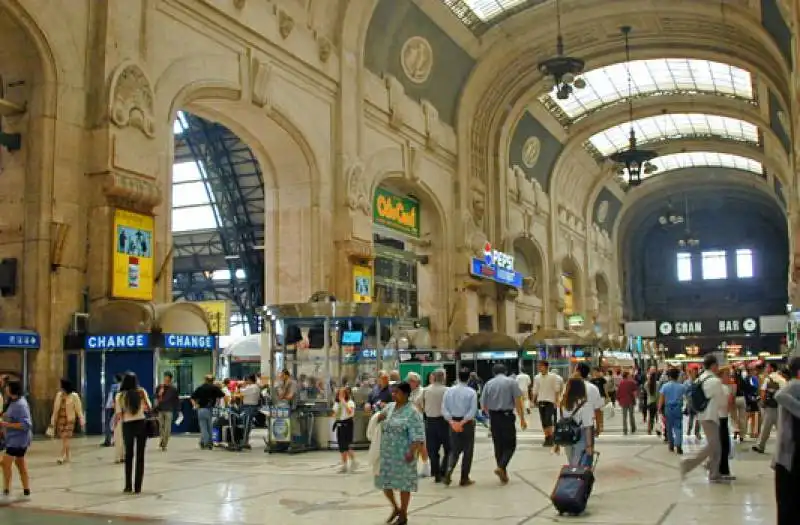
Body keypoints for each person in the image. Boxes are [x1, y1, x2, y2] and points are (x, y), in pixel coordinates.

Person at [375, 381, 424, 525]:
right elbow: (379, 417)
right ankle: (395, 508)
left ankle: (403, 514)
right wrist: (376, 415)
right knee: (385, 483)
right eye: (393, 392)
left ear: (406, 394)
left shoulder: (412, 412)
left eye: (397, 392)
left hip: (404, 454)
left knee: (404, 485)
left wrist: (412, 451)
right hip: (387, 453)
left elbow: (418, 435)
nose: (394, 395)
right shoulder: (390, 408)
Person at [680, 354, 724, 482]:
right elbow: (721, 401)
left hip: (702, 414)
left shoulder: (700, 379)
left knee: (717, 446)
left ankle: (713, 472)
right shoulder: (715, 381)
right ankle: (688, 464)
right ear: (714, 366)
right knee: (713, 445)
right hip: (711, 415)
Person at [480, 363, 527, 485]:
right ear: (505, 371)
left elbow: (483, 405)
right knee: (511, 444)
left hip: (494, 417)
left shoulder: (488, 384)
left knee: (498, 445)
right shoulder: (511, 382)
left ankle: (502, 471)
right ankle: (501, 467)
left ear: (493, 372)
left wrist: (489, 415)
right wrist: (522, 418)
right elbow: (518, 401)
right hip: (507, 416)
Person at [773, 356, 800, 524]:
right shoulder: (795, 385)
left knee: (788, 503)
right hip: (791, 453)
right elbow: (779, 395)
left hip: (789, 455)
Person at [115, 372, 151, 494]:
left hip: (128, 425)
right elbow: (149, 407)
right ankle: (138, 487)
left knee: (129, 455)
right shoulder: (142, 392)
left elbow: (119, 414)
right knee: (140, 456)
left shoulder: (120, 396)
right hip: (141, 424)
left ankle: (128, 485)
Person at [442, 368, 477, 487]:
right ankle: (464, 478)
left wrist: (452, 422)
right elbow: (472, 411)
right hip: (466, 424)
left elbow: (444, 409)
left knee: (454, 450)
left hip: (452, 423)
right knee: (468, 451)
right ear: (468, 378)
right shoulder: (471, 392)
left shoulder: (449, 391)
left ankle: (448, 471)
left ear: (458, 376)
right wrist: (462, 423)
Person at [1, 380, 31, 499]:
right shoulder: (12, 402)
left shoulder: (21, 405)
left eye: (7, 388)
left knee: (5, 463)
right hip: (13, 439)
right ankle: (26, 489)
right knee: (20, 463)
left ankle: (6, 490)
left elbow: (25, 425)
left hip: (18, 440)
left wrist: (6, 425)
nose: (5, 389)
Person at [420, 369, 450, 483]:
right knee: (449, 448)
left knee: (432, 449)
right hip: (444, 422)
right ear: (443, 378)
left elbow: (421, 405)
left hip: (430, 422)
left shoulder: (426, 390)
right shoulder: (448, 390)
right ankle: (443, 470)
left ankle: (436, 472)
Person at [557, 378, 594, 466]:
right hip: (580, 435)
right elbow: (588, 426)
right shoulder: (584, 403)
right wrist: (589, 445)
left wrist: (557, 443)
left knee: (571, 462)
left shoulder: (563, 403)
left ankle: (571, 476)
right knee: (578, 463)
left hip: (566, 435)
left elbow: (559, 420)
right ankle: (575, 478)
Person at [753, 362, 787, 454]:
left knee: (766, 427)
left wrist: (763, 403)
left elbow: (763, 392)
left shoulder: (768, 379)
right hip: (780, 406)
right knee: (780, 427)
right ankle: (785, 447)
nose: (766, 369)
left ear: (771, 369)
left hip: (770, 406)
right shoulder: (782, 379)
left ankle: (760, 446)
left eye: (767, 367)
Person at [49, 378, 84, 465]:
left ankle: (62, 456)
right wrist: (53, 420)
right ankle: (68, 456)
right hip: (60, 419)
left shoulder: (74, 396)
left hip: (70, 420)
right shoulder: (59, 395)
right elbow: (55, 409)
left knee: (66, 438)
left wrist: (81, 419)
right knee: (64, 439)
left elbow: (78, 409)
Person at [532, 360, 563, 447]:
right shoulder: (537, 377)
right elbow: (535, 390)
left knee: (548, 419)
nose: (539, 367)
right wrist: (533, 401)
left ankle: (551, 437)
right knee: (543, 421)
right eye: (539, 366)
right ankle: (547, 437)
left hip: (550, 401)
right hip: (540, 401)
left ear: (546, 367)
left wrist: (557, 401)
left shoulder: (553, 377)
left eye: (541, 366)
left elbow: (557, 390)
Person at [191, 375, 226, 450]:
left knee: (203, 427)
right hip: (210, 409)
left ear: (205, 380)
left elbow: (192, 397)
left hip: (201, 409)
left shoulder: (200, 388)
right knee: (209, 427)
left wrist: (195, 405)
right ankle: (209, 442)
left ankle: (205, 443)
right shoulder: (214, 388)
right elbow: (223, 395)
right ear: (213, 380)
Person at [658, 368, 686, 454]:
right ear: (677, 376)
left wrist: (659, 408)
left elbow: (661, 399)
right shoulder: (681, 386)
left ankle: (671, 445)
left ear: (669, 376)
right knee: (678, 427)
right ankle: (679, 445)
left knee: (669, 427)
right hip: (678, 408)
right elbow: (685, 397)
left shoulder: (665, 386)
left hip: (668, 409)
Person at [576, 363, 605, 441]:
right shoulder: (593, 388)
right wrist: (598, 427)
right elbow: (598, 410)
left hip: (572, 427)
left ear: (577, 372)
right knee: (587, 450)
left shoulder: (568, 387)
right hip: (588, 425)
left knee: (573, 452)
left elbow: (562, 408)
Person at [332, 387, 357, 473]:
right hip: (340, 424)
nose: (340, 396)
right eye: (339, 394)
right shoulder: (337, 404)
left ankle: (353, 461)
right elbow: (335, 414)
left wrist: (344, 403)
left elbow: (350, 412)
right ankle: (344, 465)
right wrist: (335, 415)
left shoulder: (350, 403)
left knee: (347, 445)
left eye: (342, 394)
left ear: (346, 394)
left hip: (347, 423)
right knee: (341, 446)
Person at [154, 372, 179, 452]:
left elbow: (176, 400)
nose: (166, 379)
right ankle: (162, 441)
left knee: (167, 428)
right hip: (160, 409)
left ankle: (164, 443)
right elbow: (155, 397)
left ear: (170, 379)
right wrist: (159, 394)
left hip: (169, 410)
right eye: (165, 378)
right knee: (161, 427)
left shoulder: (173, 389)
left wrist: (178, 410)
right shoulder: (159, 387)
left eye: (167, 378)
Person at [239, 374, 261, 449]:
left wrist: (242, 386)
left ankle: (244, 441)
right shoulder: (252, 386)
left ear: (250, 379)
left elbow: (242, 392)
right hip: (248, 407)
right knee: (246, 424)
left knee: (247, 425)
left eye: (247, 380)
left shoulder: (253, 387)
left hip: (250, 407)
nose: (246, 381)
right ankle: (245, 441)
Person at [103, 374, 122, 447]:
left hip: (110, 406)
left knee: (108, 424)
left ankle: (108, 441)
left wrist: (113, 403)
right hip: (117, 406)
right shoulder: (123, 386)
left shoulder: (114, 386)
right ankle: (115, 440)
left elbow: (114, 395)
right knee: (116, 424)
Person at [617, 370, 638, 435]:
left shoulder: (621, 383)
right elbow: (635, 393)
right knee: (631, 415)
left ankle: (625, 430)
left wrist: (619, 401)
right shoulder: (632, 382)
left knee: (624, 416)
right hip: (631, 401)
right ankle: (633, 428)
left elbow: (618, 393)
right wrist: (635, 400)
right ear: (627, 376)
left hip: (623, 402)